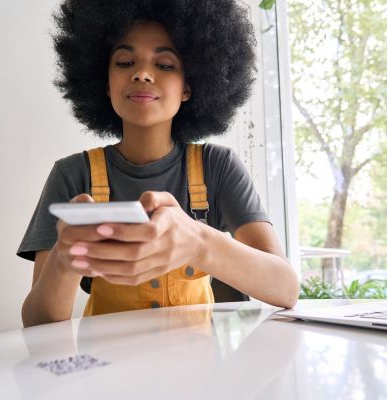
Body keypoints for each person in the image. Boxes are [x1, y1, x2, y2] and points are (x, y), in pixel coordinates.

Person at [18, 0, 300, 327]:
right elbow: (37, 325)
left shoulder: (218, 167)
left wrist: (198, 242)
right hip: (105, 374)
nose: (141, 73)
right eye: (125, 61)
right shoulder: (72, 175)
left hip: (197, 375)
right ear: (105, 83)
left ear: (189, 87)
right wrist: (63, 262)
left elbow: (286, 289)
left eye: (165, 65)